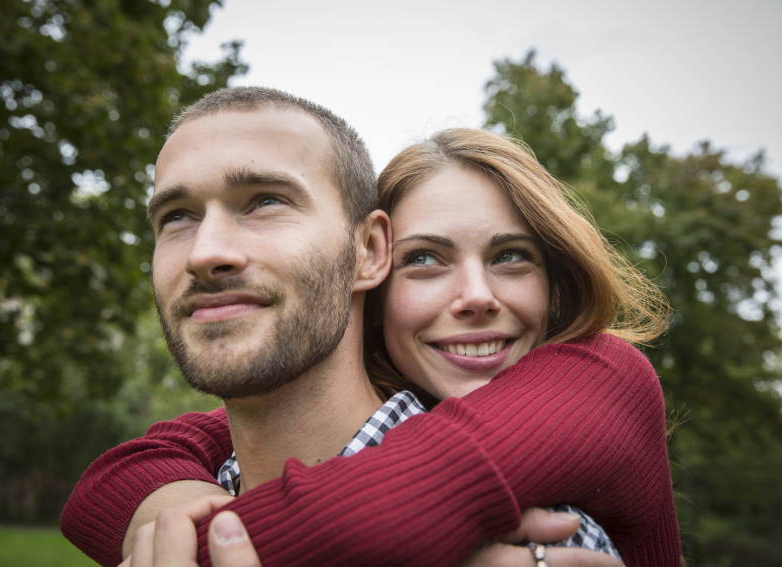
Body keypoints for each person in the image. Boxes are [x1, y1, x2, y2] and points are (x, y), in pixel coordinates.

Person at [61, 89, 680, 565]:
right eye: (176, 215)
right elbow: (114, 477)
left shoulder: (540, 523)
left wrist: (197, 544)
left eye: (266, 200)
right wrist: (157, 509)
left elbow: (383, 513)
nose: (206, 251)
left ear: (366, 252)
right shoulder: (203, 473)